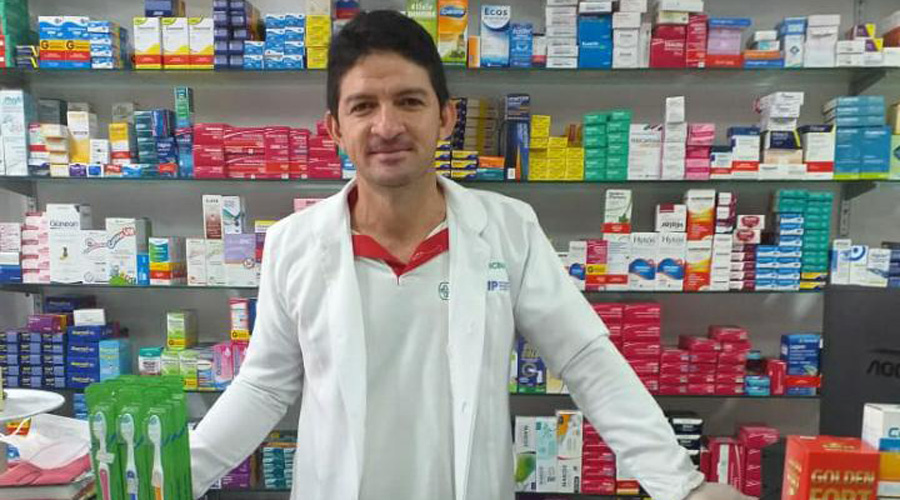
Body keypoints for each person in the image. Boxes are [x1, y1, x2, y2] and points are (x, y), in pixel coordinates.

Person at [190, 10, 754, 500]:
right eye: (363, 106)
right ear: (335, 129)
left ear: (446, 117)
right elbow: (263, 387)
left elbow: (586, 359)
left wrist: (681, 484)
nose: (387, 126)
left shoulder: (507, 229)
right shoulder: (293, 243)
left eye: (409, 101)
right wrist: (173, 477)